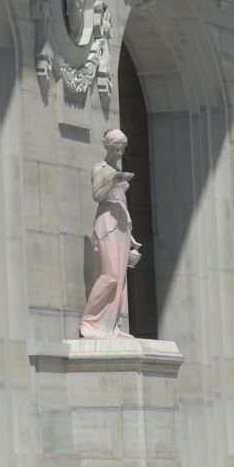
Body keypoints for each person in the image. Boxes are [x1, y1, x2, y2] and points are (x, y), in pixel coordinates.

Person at [79, 129, 143, 339]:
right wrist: (114, 181)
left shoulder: (116, 170)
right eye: (118, 146)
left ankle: (113, 326)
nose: (121, 151)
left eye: (123, 147)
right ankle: (90, 322)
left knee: (121, 277)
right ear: (109, 146)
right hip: (107, 222)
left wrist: (132, 237)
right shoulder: (101, 168)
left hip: (122, 224)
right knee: (111, 275)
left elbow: (120, 201)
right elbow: (97, 195)